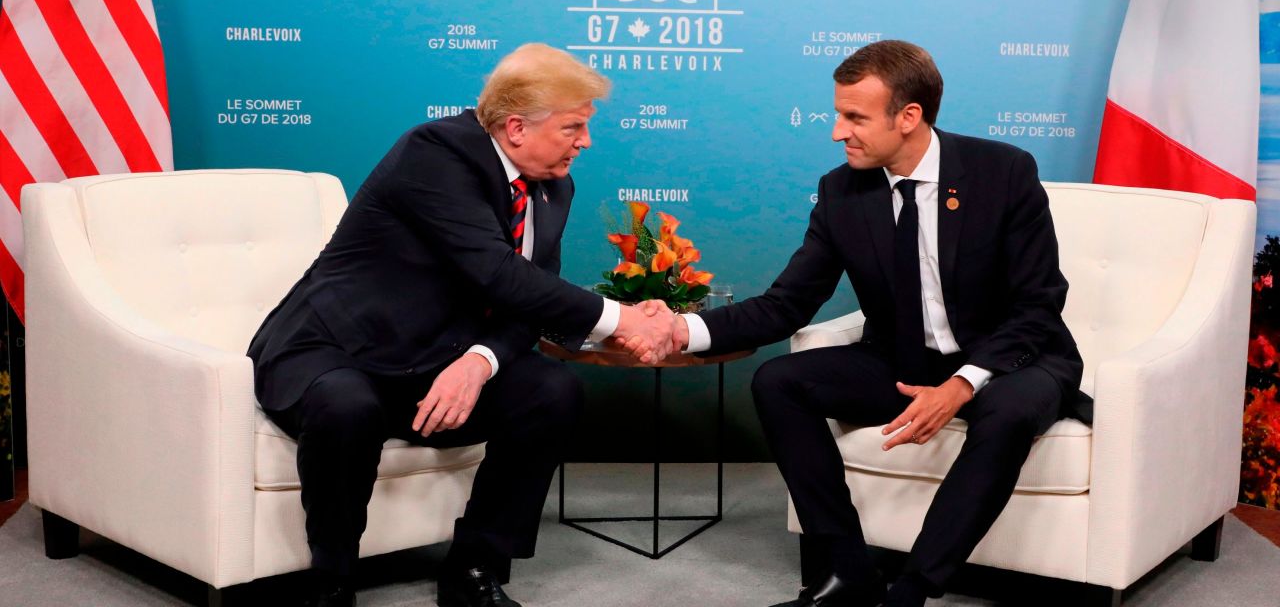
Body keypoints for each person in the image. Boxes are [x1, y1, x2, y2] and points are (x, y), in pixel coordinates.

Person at [248, 43, 675, 607]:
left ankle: (476, 568)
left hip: (435, 357)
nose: (586, 142)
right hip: (337, 348)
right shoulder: (436, 153)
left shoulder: (552, 184)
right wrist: (621, 319)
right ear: (517, 126)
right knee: (347, 405)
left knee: (551, 389)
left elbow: (533, 295)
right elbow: (498, 273)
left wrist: (479, 361)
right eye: (574, 127)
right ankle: (332, 579)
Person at [668, 40, 1084, 607]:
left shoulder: (1003, 172)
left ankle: (911, 591)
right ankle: (846, 569)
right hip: (903, 358)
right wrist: (681, 331)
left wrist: (961, 385)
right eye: (839, 115)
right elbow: (788, 303)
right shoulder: (842, 191)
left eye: (854, 117)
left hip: (1015, 359)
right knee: (779, 381)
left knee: (1009, 413)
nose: (839, 132)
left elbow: (1039, 302)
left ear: (908, 117)